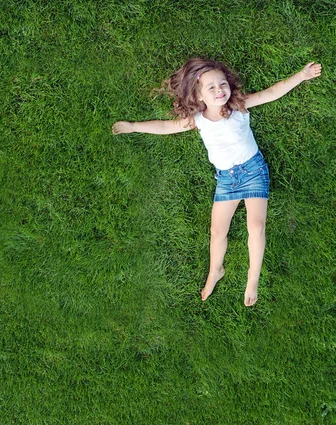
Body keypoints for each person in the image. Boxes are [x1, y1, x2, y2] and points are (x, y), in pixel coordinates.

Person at [112, 58, 322, 306]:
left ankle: (252, 279)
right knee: (217, 231)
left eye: (223, 84)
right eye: (211, 88)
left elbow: (272, 92)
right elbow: (166, 127)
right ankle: (216, 270)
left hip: (254, 171)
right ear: (198, 95)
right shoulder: (198, 120)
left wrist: (302, 75)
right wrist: (133, 126)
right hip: (226, 180)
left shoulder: (239, 107)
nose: (220, 90)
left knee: (256, 227)